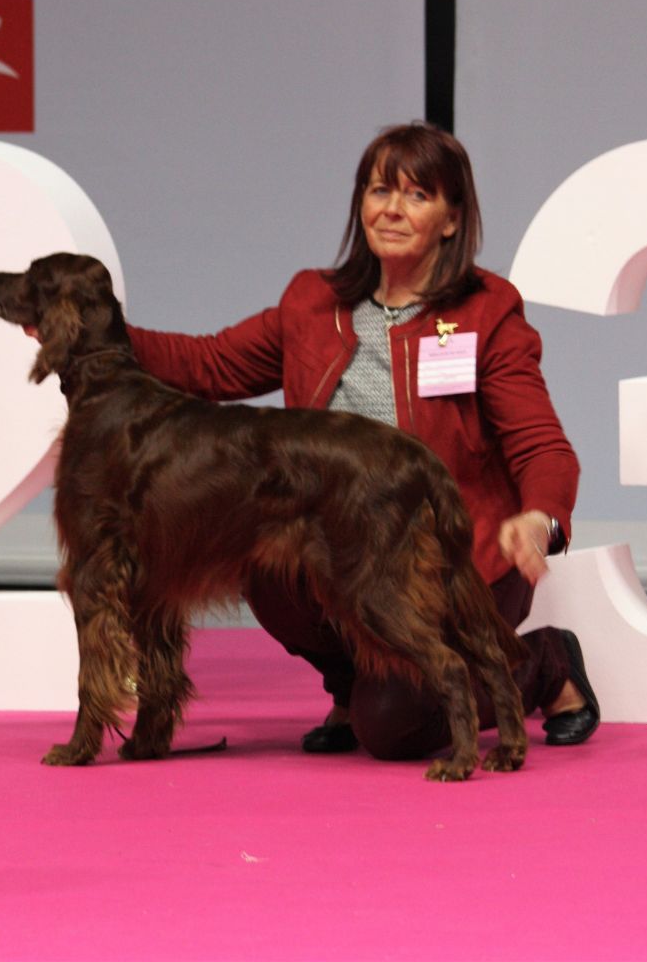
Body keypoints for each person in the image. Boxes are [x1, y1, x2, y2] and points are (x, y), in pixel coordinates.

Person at [126, 121, 599, 760]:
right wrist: (100, 331)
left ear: (452, 220)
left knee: (397, 729)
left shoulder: (488, 312)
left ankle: (543, 663)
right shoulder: (312, 302)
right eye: (380, 191)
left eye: (417, 195)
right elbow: (210, 365)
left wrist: (542, 519)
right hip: (346, 552)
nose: (393, 209)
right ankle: (353, 684)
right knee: (265, 558)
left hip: (456, 558)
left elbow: (543, 445)